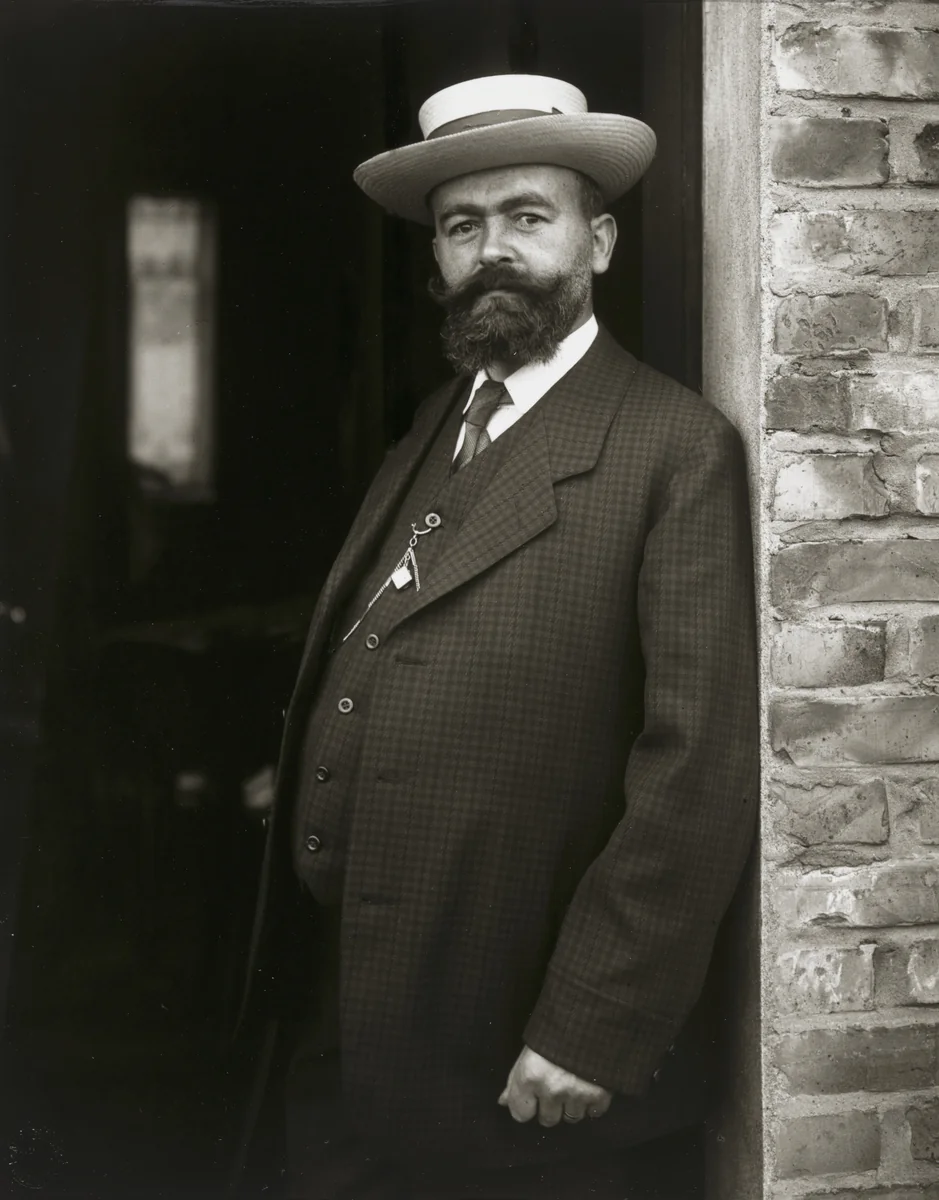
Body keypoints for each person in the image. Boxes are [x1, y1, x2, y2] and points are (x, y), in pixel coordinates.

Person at [237, 73, 759, 1200]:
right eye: (462, 227)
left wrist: (595, 1022)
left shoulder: (673, 448)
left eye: (528, 216)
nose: (493, 253)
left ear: (598, 243)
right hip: (355, 1013)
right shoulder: (438, 422)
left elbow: (697, 767)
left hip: (514, 1051)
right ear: (436, 259)